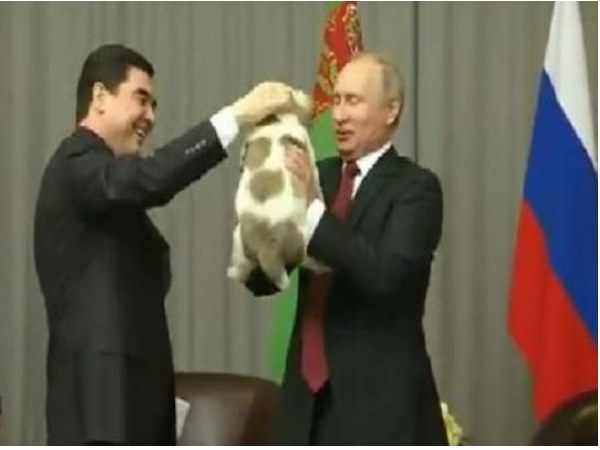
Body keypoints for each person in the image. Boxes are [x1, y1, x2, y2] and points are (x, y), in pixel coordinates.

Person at [33, 43, 294, 445]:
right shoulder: (76, 164)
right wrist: (238, 115)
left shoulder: (107, 193)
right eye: (141, 99)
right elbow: (151, 179)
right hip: (102, 407)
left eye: (154, 105)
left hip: (136, 403)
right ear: (99, 96)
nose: (151, 116)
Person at [247, 53, 448, 445]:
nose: (338, 115)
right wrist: (259, 229)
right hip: (305, 407)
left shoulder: (416, 188)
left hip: (379, 408)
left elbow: (386, 275)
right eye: (336, 100)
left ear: (391, 110)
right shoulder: (316, 174)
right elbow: (265, 280)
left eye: (353, 101)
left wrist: (311, 212)